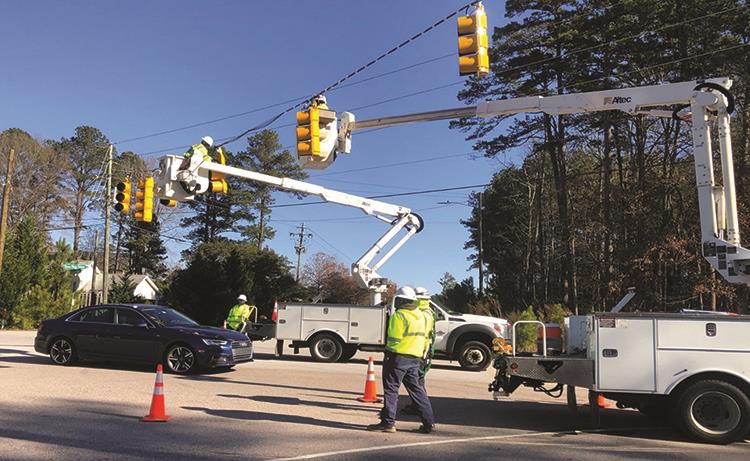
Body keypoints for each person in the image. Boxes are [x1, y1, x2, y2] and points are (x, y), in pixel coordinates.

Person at [368, 286, 435, 434]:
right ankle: (428, 422)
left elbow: (393, 339)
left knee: (391, 390)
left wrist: (388, 351)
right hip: (415, 358)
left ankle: (388, 423)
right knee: (417, 390)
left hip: (398, 357)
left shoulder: (399, 316)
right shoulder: (421, 315)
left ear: (401, 300)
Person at [401, 286, 436, 415]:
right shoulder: (426, 311)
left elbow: (421, 335)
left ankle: (420, 406)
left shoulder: (423, 314)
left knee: (416, 382)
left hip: (419, 352)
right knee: (417, 381)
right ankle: (418, 405)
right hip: (422, 351)